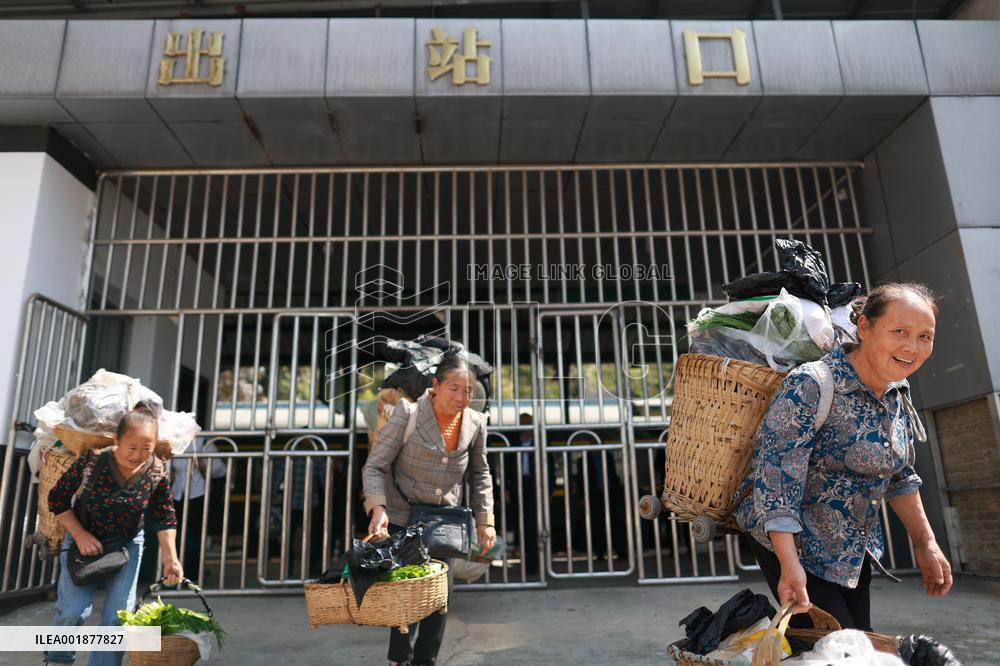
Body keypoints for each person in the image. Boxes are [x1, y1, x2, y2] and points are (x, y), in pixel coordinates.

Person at [733, 283, 952, 632]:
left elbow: (899, 475)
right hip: (795, 546)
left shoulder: (897, 392)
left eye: (925, 336)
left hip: (852, 552)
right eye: (899, 331)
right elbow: (776, 480)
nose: (912, 347)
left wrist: (926, 544)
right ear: (864, 327)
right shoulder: (812, 384)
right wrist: (789, 565)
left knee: (856, 644)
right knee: (836, 649)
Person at [363, 354, 496, 666]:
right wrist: (378, 508)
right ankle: (400, 660)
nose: (462, 397)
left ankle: (426, 662)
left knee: (439, 597)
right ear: (435, 385)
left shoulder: (476, 423)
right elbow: (375, 466)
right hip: (403, 519)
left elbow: (480, 474)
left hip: (444, 523)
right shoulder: (407, 413)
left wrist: (485, 521)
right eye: (454, 389)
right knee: (407, 596)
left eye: (468, 391)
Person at [45, 401, 182, 666]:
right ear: (117, 440)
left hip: (127, 541)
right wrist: (80, 535)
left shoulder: (156, 472)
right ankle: (58, 660)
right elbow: (57, 500)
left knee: (118, 615)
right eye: (132, 447)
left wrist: (171, 559)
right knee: (73, 610)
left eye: (147, 448)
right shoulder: (93, 461)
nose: (138, 455)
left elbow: (164, 516)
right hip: (83, 536)